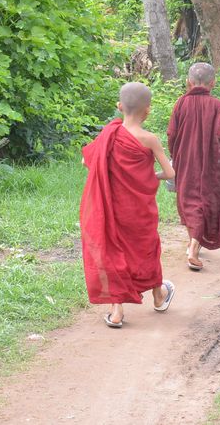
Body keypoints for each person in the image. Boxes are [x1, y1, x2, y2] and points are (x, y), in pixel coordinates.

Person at [79, 82, 176, 328]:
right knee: (146, 249)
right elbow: (169, 172)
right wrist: (150, 176)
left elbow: (86, 161)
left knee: (114, 251)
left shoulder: (108, 135)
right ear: (148, 111)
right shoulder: (150, 139)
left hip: (113, 207)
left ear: (119, 106)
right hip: (139, 210)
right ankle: (158, 295)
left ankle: (116, 311)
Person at [166, 62, 220, 271]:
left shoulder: (180, 103)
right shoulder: (217, 105)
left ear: (188, 82)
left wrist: (174, 154)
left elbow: (172, 133)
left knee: (189, 199)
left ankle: (193, 245)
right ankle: (194, 246)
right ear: (213, 83)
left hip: (185, 158)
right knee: (204, 198)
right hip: (210, 159)